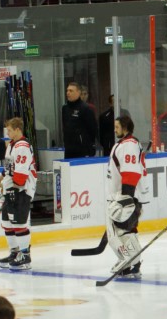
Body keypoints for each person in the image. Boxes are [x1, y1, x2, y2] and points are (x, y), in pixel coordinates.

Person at [106, 114, 147, 278]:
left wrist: (127, 200)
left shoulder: (129, 145)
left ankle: (132, 264)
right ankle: (133, 263)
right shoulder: (126, 144)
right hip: (123, 196)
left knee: (121, 232)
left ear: (125, 127)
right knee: (125, 231)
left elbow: (130, 174)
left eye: (117, 127)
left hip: (125, 196)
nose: (115, 130)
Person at [0, 117, 37, 270]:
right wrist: (1, 179)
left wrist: (10, 189)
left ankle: (25, 256)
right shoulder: (11, 145)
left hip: (21, 189)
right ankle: (15, 252)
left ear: (18, 130)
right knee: (7, 223)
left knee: (19, 223)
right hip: (11, 188)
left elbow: (20, 176)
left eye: (10, 130)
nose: (7, 133)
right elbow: (8, 166)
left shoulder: (23, 147)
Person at [62, 82, 98, 158]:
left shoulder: (85, 108)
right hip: (69, 149)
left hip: (82, 149)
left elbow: (92, 129)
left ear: (78, 92)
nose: (68, 93)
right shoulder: (65, 108)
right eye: (67, 90)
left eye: (71, 91)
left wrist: (89, 146)